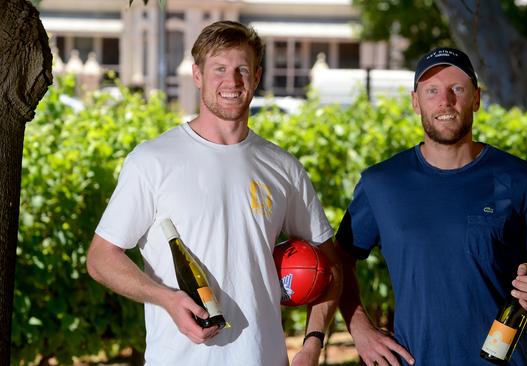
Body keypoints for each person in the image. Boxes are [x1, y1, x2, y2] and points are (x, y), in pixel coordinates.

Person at [86, 20, 340, 366]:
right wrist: (167, 299)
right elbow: (101, 257)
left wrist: (312, 344)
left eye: (242, 69)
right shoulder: (152, 160)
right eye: (219, 69)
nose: (232, 81)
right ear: (197, 75)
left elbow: (331, 266)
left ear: (258, 76)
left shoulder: (283, 167)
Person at [335, 47, 527, 365]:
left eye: (457, 88)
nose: (445, 101)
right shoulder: (381, 183)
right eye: (432, 91)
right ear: (416, 101)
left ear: (477, 98)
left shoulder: (522, 180)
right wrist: (360, 329)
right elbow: (338, 258)